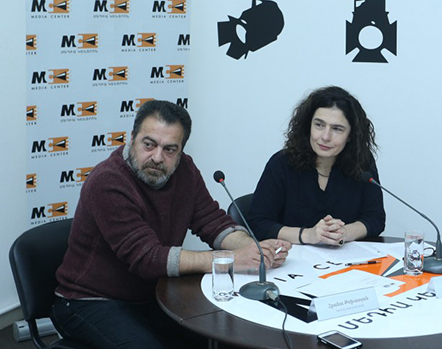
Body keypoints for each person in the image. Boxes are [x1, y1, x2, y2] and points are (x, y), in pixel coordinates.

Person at [51, 100, 291, 349]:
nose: (157, 157)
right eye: (149, 144)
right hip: (89, 301)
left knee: (229, 336)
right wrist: (229, 259)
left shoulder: (184, 169)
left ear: (181, 151)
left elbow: (212, 221)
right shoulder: (107, 182)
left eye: (169, 149)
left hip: (153, 297)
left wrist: (252, 250)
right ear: (132, 138)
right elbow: (148, 259)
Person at [247, 86, 385, 246]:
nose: (325, 137)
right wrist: (307, 235)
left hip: (344, 263)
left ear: (350, 136)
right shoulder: (282, 163)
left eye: (337, 129)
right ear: (308, 126)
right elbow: (257, 223)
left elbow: (375, 219)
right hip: (289, 262)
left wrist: (343, 232)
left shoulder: (362, 163)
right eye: (319, 125)